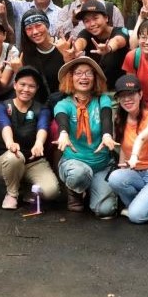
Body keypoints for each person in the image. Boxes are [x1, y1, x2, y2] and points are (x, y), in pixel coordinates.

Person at [53, 57, 119, 216]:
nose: (84, 77)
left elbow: (105, 116)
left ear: (95, 78)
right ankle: (75, 191)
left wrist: (107, 135)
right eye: (79, 73)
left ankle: (92, 189)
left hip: (101, 165)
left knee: (106, 210)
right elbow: (62, 119)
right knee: (79, 174)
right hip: (75, 163)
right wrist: (63, 133)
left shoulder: (102, 99)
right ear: (71, 77)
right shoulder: (63, 104)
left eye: (89, 73)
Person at [106, 75, 148, 223]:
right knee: (115, 177)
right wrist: (123, 166)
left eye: (131, 94)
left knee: (136, 216)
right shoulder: (120, 120)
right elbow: (124, 149)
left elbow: (141, 138)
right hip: (137, 173)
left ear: (140, 94)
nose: (127, 99)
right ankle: (142, 204)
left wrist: (135, 156)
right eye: (122, 96)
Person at [0, 66, 60, 210]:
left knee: (51, 192)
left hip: (33, 161)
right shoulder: (3, 106)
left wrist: (39, 143)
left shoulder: (42, 109)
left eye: (31, 86)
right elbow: (5, 126)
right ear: (15, 85)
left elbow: (43, 127)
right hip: (6, 159)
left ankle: (27, 186)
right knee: (14, 157)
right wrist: (10, 143)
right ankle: (12, 194)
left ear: (36, 89)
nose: (26, 89)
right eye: (22, 84)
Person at [72, 0, 129, 90]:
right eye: (87, 21)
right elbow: (81, 41)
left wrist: (109, 48)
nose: (92, 24)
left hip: (120, 91)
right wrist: (74, 50)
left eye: (95, 18)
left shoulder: (119, 31)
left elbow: (118, 40)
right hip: (95, 91)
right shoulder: (86, 33)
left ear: (106, 18)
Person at [16, 9, 72, 98]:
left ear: (47, 25)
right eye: (29, 28)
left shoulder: (64, 45)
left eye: (38, 26)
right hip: (40, 105)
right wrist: (18, 71)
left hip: (67, 100)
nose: (35, 32)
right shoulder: (26, 54)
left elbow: (78, 78)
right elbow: (26, 88)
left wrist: (67, 58)